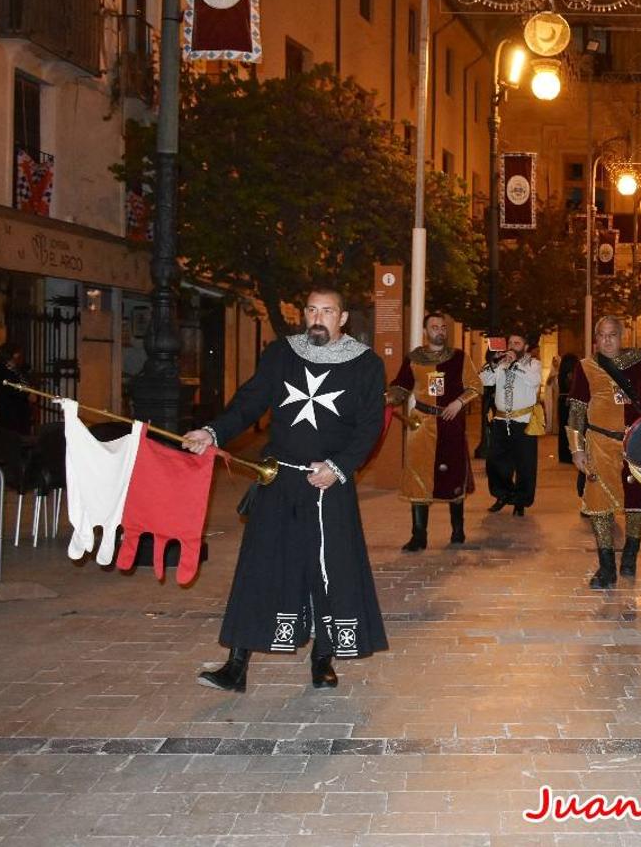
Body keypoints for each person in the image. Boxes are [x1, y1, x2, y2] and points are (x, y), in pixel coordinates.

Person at [183, 287, 388, 692]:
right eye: (311, 309)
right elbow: (250, 400)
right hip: (278, 480)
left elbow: (369, 427)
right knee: (259, 567)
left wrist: (339, 467)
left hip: (328, 484)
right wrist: (212, 432)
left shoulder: (366, 365)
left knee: (327, 573)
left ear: (342, 319)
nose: (317, 317)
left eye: (327, 311)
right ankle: (236, 666)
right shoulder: (282, 354)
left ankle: (322, 660)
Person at [568, 316, 641, 588]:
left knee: (635, 502)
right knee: (599, 506)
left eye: (612, 334)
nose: (607, 340)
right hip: (599, 443)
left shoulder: (639, 361)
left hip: (635, 444)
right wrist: (577, 449)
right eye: (602, 335)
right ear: (595, 339)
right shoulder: (586, 367)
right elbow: (576, 411)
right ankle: (606, 568)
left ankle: (630, 558)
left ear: (621, 336)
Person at [386, 312, 480, 550]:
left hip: (450, 424)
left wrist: (459, 403)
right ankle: (419, 536)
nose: (439, 330)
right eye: (434, 327)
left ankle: (457, 530)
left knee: (453, 475)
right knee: (419, 478)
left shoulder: (459, 357)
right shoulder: (414, 359)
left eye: (442, 327)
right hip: (422, 425)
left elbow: (475, 385)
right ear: (425, 331)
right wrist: (387, 398)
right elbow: (401, 387)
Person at [480, 333, 543, 516]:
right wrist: (494, 363)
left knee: (525, 465)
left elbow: (534, 381)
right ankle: (503, 494)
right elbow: (484, 380)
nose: (513, 345)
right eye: (510, 343)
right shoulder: (501, 364)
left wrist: (515, 365)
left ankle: (520, 501)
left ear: (525, 346)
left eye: (517, 342)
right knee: (495, 462)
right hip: (500, 421)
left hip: (524, 422)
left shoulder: (533, 364)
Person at [0, 343, 32, 435]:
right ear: (14, 355)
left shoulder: (13, 370)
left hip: (11, 415)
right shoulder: (6, 372)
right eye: (19, 353)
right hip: (13, 415)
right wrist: (28, 393)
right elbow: (19, 391)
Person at [556, 352, 580, 464]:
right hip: (570, 401)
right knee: (572, 428)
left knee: (563, 428)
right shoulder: (572, 374)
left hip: (562, 401)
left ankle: (563, 455)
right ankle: (570, 455)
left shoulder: (561, 373)